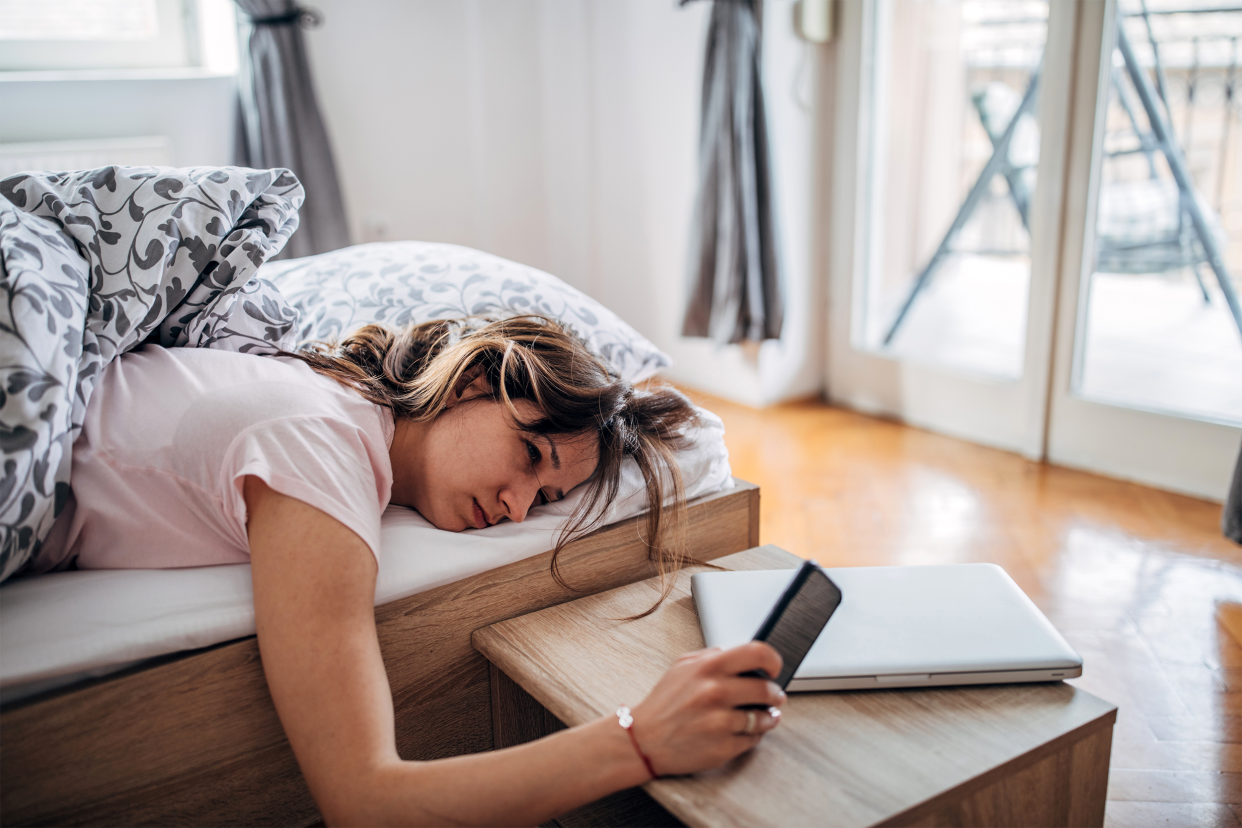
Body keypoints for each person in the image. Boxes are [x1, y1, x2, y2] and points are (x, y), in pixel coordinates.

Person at [35, 315, 785, 827]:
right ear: (469, 385)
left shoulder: (332, 413)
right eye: (531, 456)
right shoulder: (315, 443)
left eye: (548, 497)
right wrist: (640, 739)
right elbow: (366, 800)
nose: (520, 507)